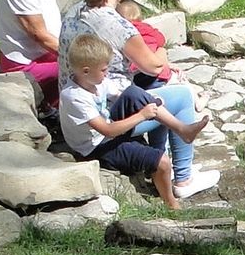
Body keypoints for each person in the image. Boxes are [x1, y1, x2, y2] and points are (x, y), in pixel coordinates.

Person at [59, 0, 220, 198]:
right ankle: (184, 178)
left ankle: (159, 158)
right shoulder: (118, 24)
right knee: (180, 96)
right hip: (106, 106)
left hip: (76, 92)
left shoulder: (74, 10)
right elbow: (154, 64)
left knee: (153, 88)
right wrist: (163, 53)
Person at [58, 33, 210, 208]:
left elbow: (122, 96)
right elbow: (108, 131)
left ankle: (183, 130)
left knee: (134, 92)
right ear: (86, 71)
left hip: (109, 128)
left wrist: (149, 100)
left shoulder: (95, 81)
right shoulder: (74, 97)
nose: (107, 73)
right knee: (163, 162)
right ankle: (171, 204)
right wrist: (142, 115)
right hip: (97, 147)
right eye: (104, 70)